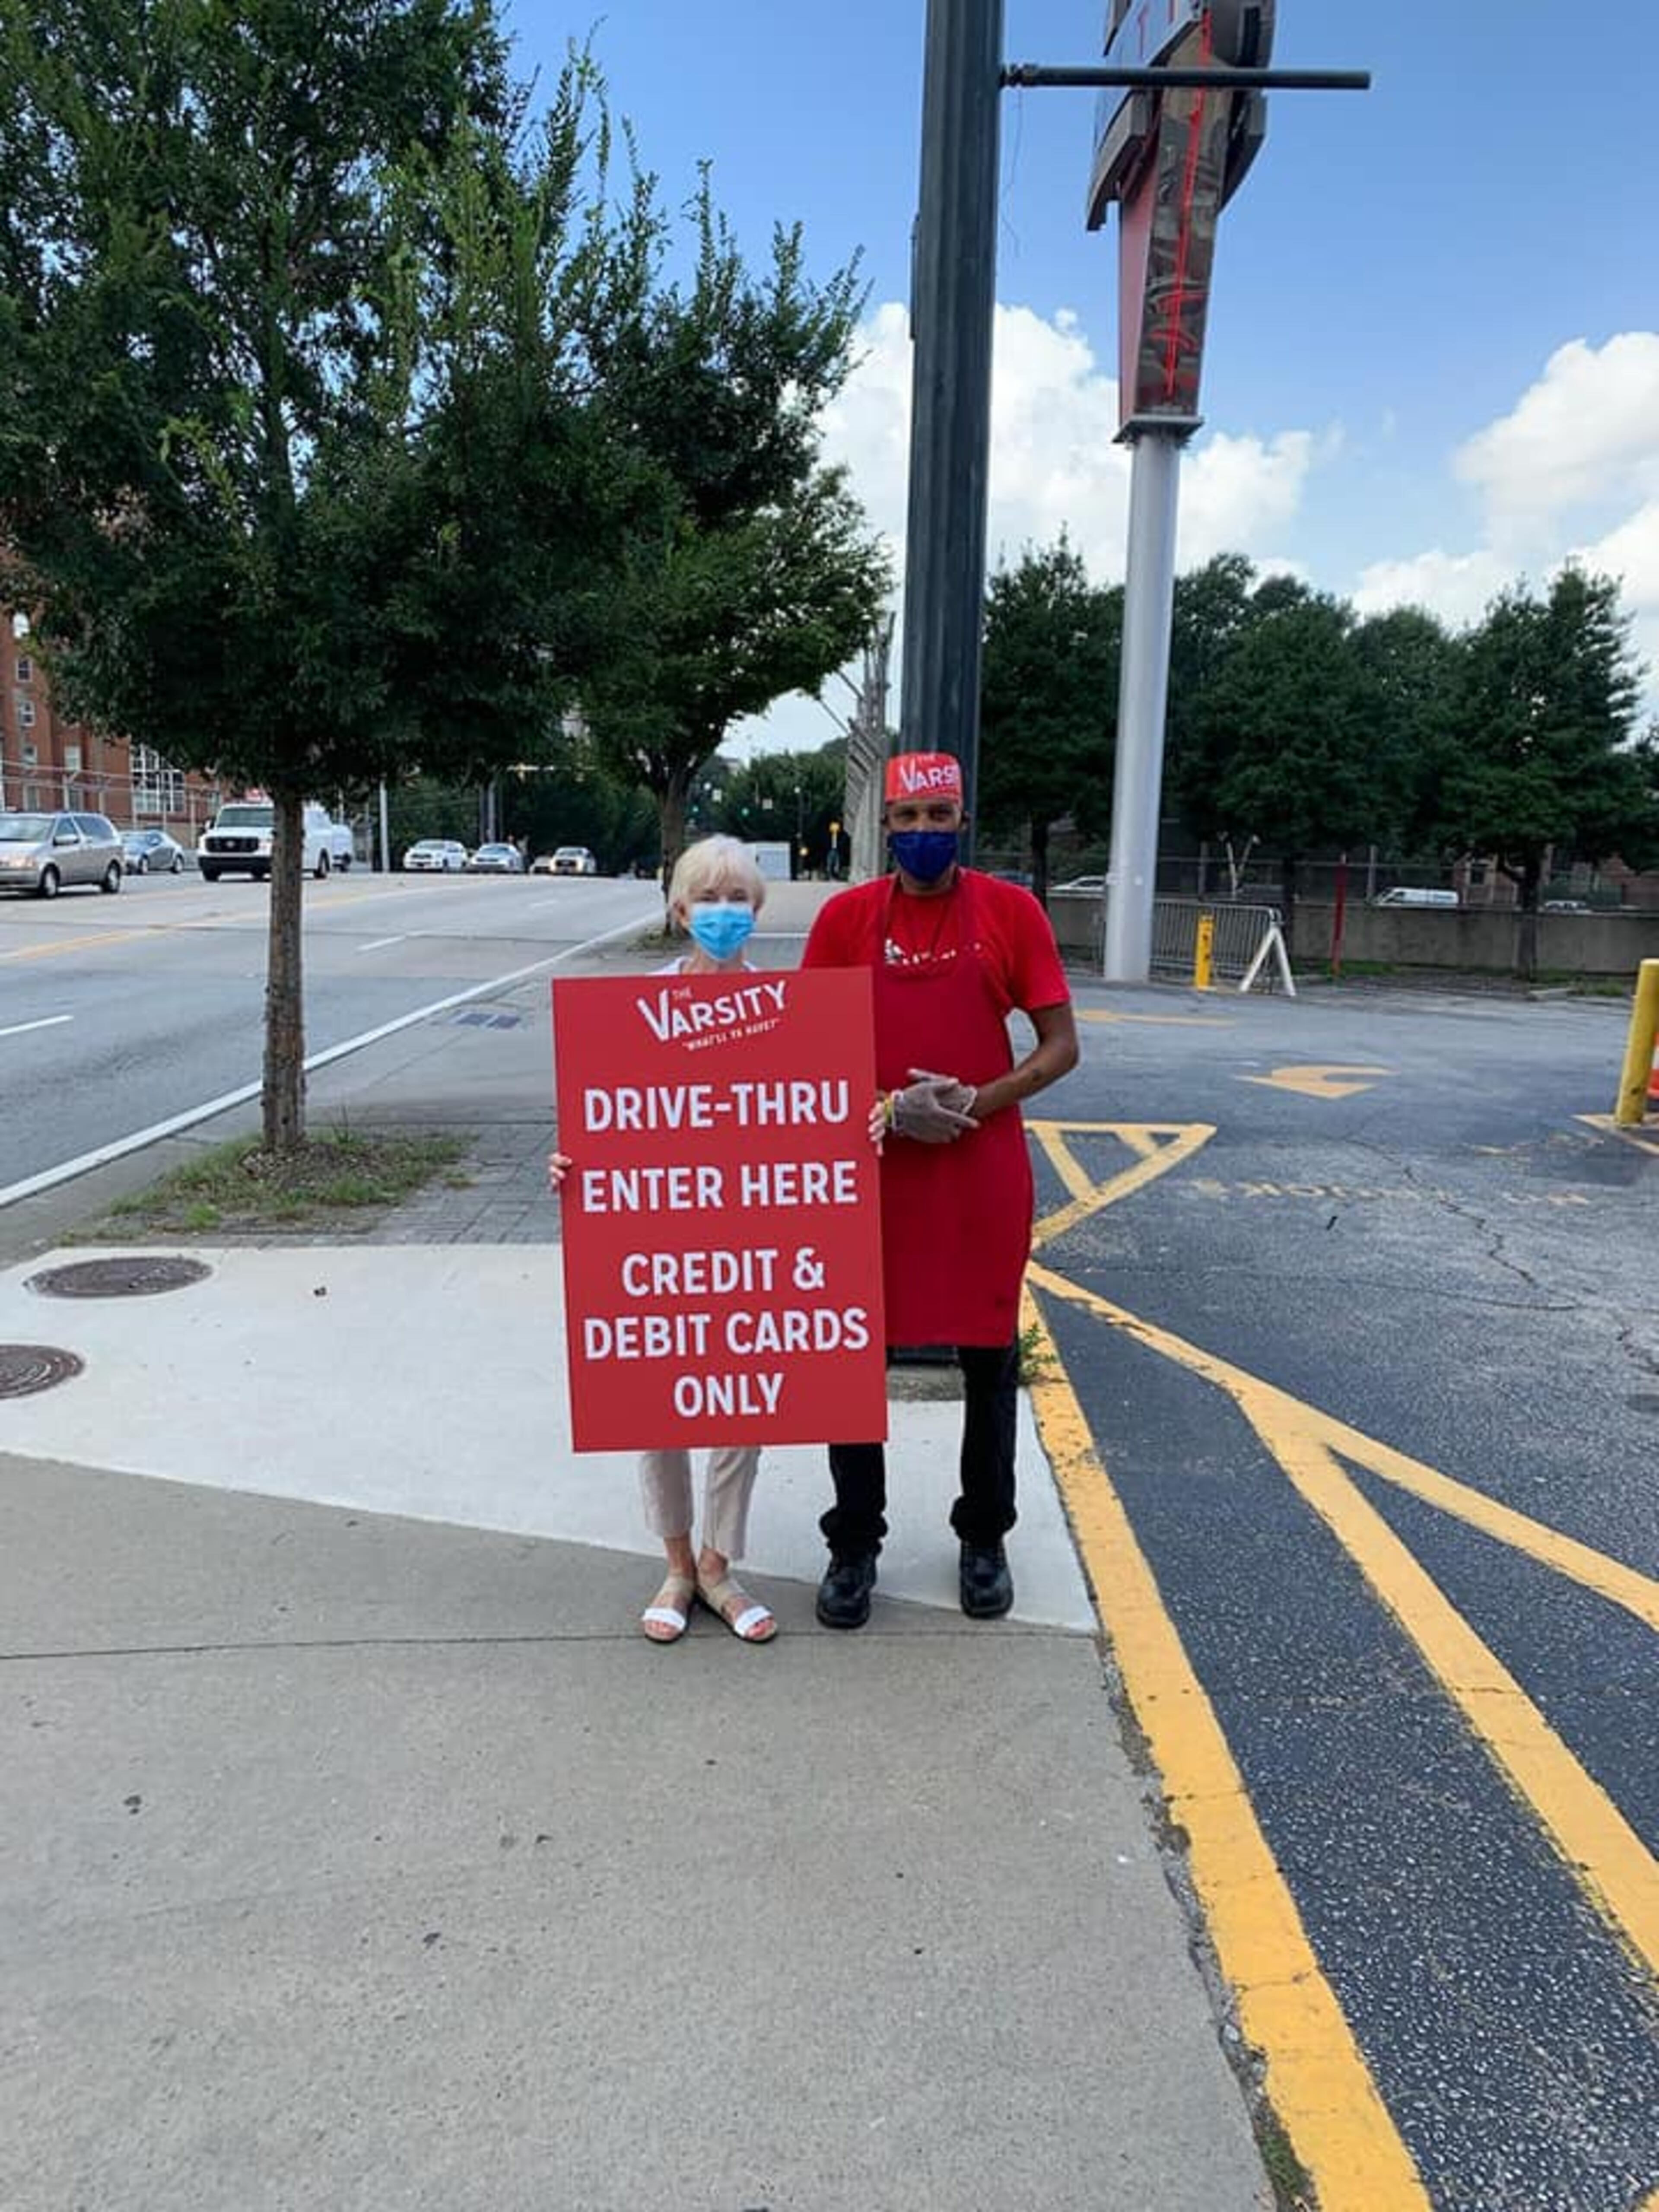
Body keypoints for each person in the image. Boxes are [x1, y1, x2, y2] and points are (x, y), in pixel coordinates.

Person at [801, 751, 1079, 1629]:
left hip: (977, 1171)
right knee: (854, 1359)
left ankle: (984, 1535)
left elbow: (1060, 1044)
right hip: (868, 1170)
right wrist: (891, 1107)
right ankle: (854, 1544)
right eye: (906, 818)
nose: (922, 832)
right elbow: (800, 1055)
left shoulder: (1011, 913)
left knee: (989, 1359)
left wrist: (972, 1103)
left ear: (963, 820)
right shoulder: (845, 920)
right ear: (885, 827)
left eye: (937, 815)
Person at [549, 835, 779, 1647]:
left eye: (736, 898)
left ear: (759, 910)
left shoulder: (790, 1011)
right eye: (706, 898)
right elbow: (605, 1117)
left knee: (742, 1404)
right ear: (679, 911)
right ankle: (677, 1564)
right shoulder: (636, 1007)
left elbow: (808, 1115)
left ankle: (720, 1566)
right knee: (658, 1400)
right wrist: (573, 1164)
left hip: (754, 1235)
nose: (722, 912)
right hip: (657, 1232)